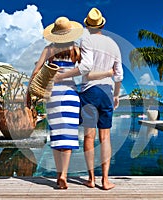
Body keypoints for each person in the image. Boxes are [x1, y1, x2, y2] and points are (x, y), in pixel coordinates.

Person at [26, 16, 112, 189]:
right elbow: (89, 67)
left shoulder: (49, 49)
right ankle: (64, 174)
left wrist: (28, 94)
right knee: (68, 135)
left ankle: (59, 175)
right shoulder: (76, 50)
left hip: (54, 96)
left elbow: (35, 72)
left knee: (56, 134)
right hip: (71, 95)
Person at [55, 8, 123, 190]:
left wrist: (62, 76)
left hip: (90, 91)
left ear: (87, 24)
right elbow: (119, 76)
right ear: (102, 25)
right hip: (107, 92)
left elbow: (85, 67)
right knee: (105, 137)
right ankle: (106, 180)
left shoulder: (86, 39)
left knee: (89, 136)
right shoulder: (114, 44)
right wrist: (116, 95)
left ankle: (91, 178)